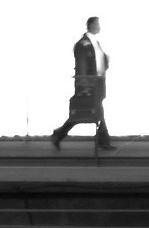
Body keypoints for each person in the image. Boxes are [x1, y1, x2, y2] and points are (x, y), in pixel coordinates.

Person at [50, 15, 117, 151]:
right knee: (89, 112)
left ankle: (60, 134)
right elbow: (82, 66)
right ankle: (102, 141)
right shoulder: (83, 44)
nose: (99, 27)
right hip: (89, 84)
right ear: (91, 25)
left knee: (89, 112)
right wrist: (85, 85)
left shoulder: (95, 43)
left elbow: (100, 62)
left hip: (98, 83)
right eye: (97, 24)